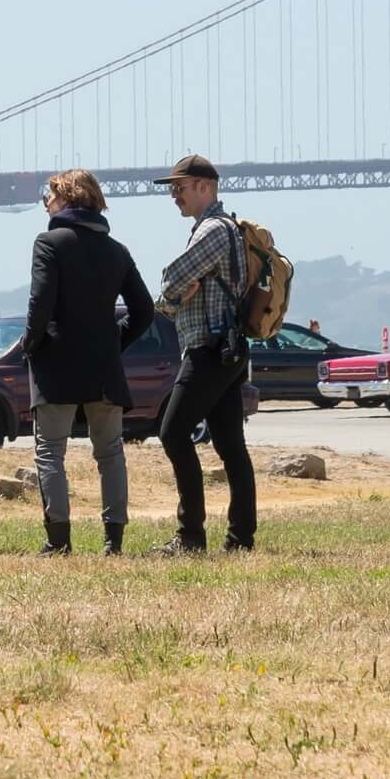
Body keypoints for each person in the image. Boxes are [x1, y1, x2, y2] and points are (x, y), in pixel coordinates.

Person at [25, 169, 153, 556]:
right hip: (104, 367)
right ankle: (113, 543)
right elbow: (144, 311)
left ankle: (58, 541)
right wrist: (115, 341)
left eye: (48, 196)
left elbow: (41, 301)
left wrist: (30, 345)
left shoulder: (49, 242)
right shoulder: (117, 250)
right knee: (110, 452)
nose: (45, 203)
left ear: (65, 198)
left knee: (50, 451)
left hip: (58, 362)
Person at [150, 154, 256, 555]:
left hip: (209, 349)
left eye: (181, 187)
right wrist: (175, 297)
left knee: (173, 432)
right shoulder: (222, 228)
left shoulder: (211, 229)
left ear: (206, 187)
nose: (174, 196)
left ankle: (191, 536)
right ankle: (240, 538)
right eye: (173, 189)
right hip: (228, 349)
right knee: (230, 446)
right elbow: (174, 294)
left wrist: (172, 296)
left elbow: (171, 279)